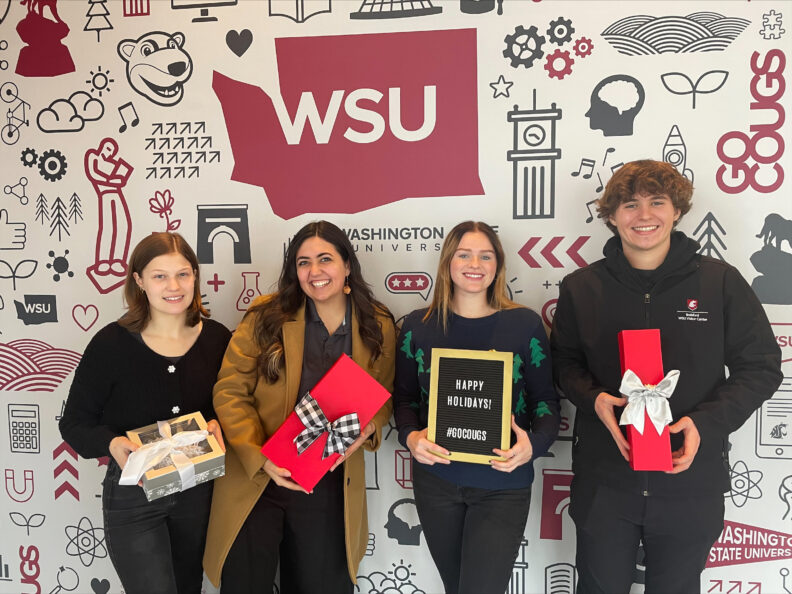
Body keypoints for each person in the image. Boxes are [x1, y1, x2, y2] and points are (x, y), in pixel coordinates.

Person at [550, 160, 783, 594]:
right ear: (611, 215)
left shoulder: (720, 283)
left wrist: (704, 422)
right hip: (606, 482)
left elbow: (762, 366)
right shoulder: (580, 287)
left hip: (689, 483)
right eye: (629, 204)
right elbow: (563, 363)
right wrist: (593, 398)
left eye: (657, 202)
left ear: (676, 211)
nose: (644, 216)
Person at [203, 220, 395, 594]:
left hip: (327, 482)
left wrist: (367, 430)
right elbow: (230, 390)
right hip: (258, 476)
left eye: (325, 259)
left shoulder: (378, 324)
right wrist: (261, 458)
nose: (315, 271)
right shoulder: (266, 316)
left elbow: (383, 396)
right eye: (303, 262)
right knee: (245, 584)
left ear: (347, 265)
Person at [59, 232, 231, 594]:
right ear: (138, 280)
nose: (174, 286)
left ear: (196, 276)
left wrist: (222, 425)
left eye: (183, 274)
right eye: (159, 276)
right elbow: (74, 423)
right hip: (134, 497)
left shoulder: (218, 339)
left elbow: (235, 407)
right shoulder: (110, 344)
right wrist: (112, 443)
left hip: (199, 494)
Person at [394, 221, 560, 594]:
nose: (475, 263)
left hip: (503, 484)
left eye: (486, 255)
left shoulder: (525, 325)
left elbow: (546, 403)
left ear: (498, 265)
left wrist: (535, 445)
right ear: (447, 263)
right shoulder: (417, 327)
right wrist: (410, 436)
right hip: (437, 483)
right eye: (464, 254)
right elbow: (404, 400)